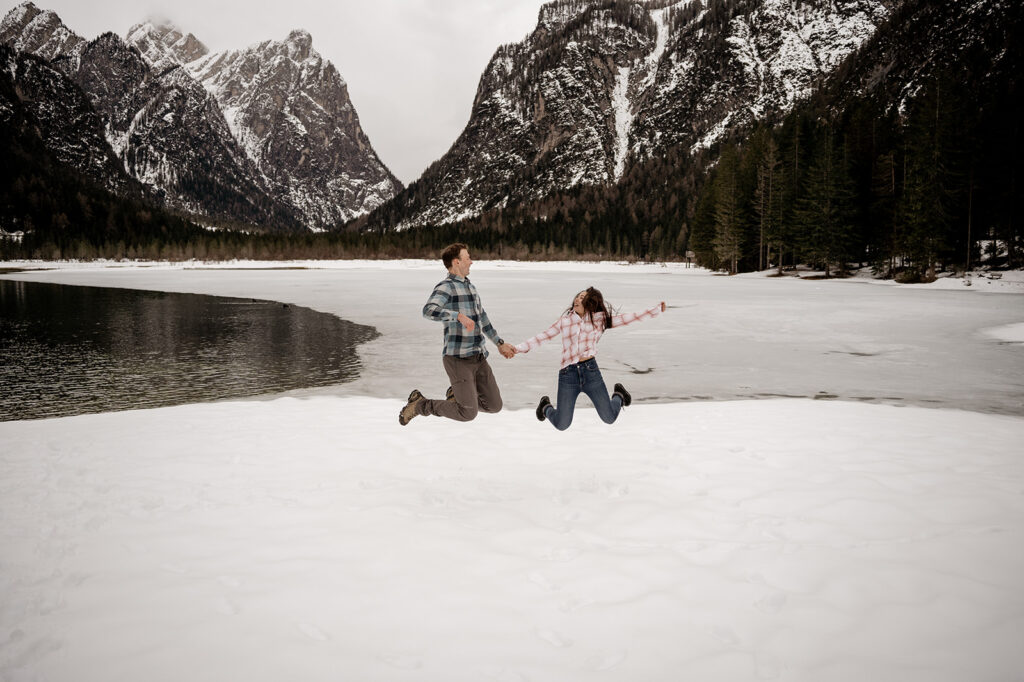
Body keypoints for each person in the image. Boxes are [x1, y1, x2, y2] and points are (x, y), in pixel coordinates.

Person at [512, 287, 665, 431]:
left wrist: (655, 310)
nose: (577, 300)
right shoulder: (565, 321)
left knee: (609, 418)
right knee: (562, 424)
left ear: (590, 303)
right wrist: (517, 349)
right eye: (577, 297)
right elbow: (543, 336)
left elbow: (628, 318)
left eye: (582, 298)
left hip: (591, 372)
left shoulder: (599, 320)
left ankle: (619, 395)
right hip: (568, 375)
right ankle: (545, 407)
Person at [399, 243, 516, 425]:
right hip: (457, 359)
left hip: (478, 357)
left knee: (494, 406)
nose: (471, 261)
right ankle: (420, 405)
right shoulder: (447, 287)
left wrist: (499, 343)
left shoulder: (470, 287)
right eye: (467, 258)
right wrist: (457, 316)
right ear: (456, 262)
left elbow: (482, 318)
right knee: (467, 413)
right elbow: (428, 310)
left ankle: (456, 396)